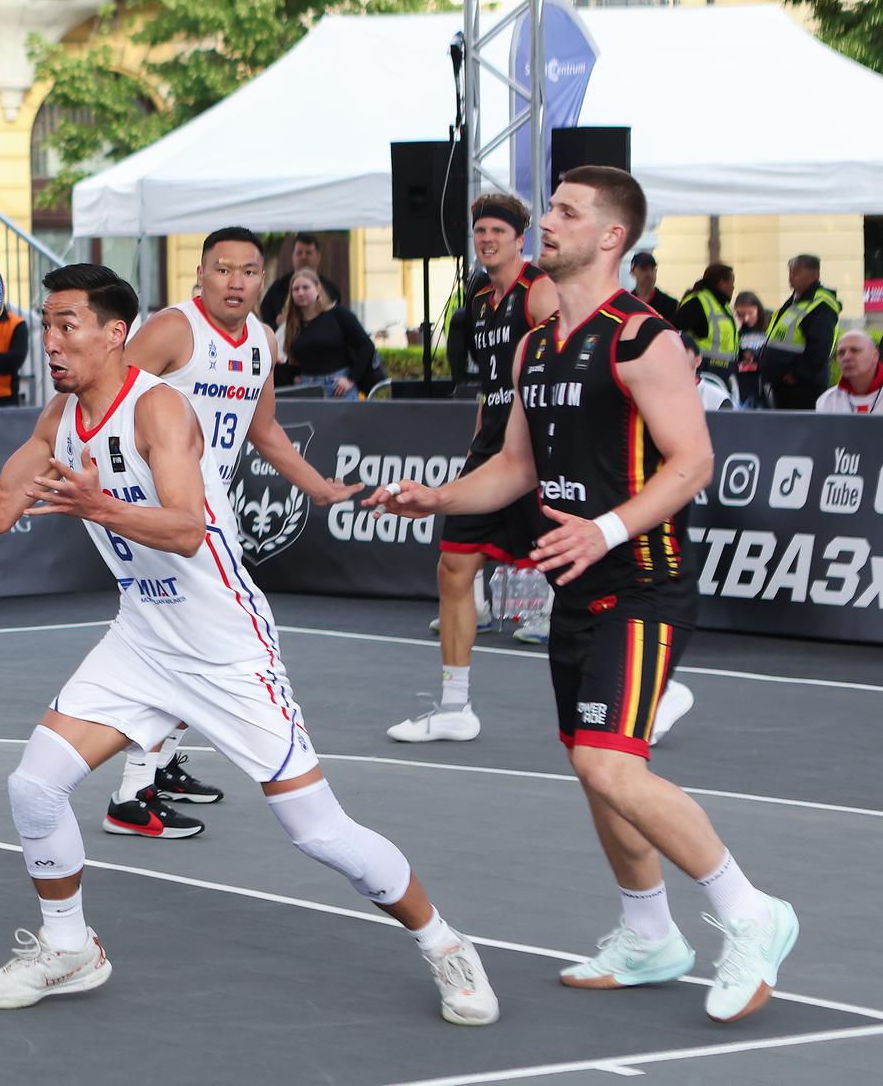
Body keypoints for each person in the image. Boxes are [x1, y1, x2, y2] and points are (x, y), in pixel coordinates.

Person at [0, 262, 496, 1021]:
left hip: (225, 644)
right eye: (46, 325)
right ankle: (69, 946)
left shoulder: (157, 411)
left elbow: (187, 530)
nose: (53, 342)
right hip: (143, 638)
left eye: (68, 324)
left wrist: (97, 506)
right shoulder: (58, 421)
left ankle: (445, 944)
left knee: (318, 831)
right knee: (34, 785)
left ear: (114, 334)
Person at [370, 165, 798, 1024]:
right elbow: (517, 467)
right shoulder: (537, 346)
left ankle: (753, 914)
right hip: (580, 584)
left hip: (643, 580)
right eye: (552, 209)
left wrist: (604, 528)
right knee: (595, 769)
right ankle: (648, 935)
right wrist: (439, 496)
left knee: (610, 761)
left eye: (567, 212)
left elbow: (692, 463)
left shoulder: (645, 339)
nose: (548, 223)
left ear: (612, 237)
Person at [116, 227, 364, 832]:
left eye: (249, 271)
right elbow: (104, 394)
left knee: (176, 638)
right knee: (211, 639)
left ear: (263, 279)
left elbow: (264, 428)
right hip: (166, 508)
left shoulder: (262, 339)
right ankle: (131, 790)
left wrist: (319, 486)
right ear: (200, 275)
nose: (235, 281)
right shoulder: (174, 329)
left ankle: (159, 765)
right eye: (222, 269)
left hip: (213, 507)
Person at [387, 194, 559, 743]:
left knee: (577, 572)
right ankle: (455, 707)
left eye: (497, 232)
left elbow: (559, 371)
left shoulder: (540, 291)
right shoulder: (481, 299)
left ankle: (650, 682)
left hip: (538, 451)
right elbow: (495, 381)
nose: (486, 239)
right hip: (492, 448)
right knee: (455, 567)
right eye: (480, 231)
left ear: (519, 239)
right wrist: (481, 434)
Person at [276, 267, 376, 397]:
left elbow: (366, 346)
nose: (300, 292)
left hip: (339, 388)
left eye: (306, 287)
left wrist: (351, 379)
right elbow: (294, 360)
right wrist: (293, 377)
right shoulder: (292, 324)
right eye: (296, 289)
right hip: (307, 389)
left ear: (318, 289)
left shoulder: (338, 314)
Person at [761, 254, 841, 410]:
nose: (791, 277)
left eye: (796, 272)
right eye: (790, 272)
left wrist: (797, 375)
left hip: (802, 387)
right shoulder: (796, 300)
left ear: (814, 274)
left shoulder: (820, 305)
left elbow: (820, 348)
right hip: (783, 386)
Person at [674, 262, 737, 395]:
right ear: (722, 283)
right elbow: (674, 329)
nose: (733, 287)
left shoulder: (723, 306)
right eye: (731, 282)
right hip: (706, 373)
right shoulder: (697, 302)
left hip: (724, 372)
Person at [259, 232, 342, 325]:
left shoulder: (330, 290)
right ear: (293, 257)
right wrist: (278, 324)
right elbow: (265, 321)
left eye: (308, 253)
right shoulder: (278, 288)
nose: (303, 257)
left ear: (318, 257)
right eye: (299, 253)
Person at [816, 331, 881, 414]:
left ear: (875, 356)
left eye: (855, 350)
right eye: (841, 353)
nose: (846, 357)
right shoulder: (827, 400)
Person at [733, 291, 770, 408]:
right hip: (743, 383)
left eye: (750, 313)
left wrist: (757, 357)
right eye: (741, 314)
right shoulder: (738, 331)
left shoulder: (770, 323)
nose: (746, 318)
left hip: (764, 384)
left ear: (758, 309)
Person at [683, 333, 734, 411]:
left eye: (682, 352)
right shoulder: (659, 395)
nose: (675, 357)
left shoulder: (718, 400)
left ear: (697, 360)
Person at [628, 250, 677, 318]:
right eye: (643, 268)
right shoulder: (627, 303)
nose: (649, 273)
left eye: (652, 268)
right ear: (633, 273)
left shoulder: (670, 304)